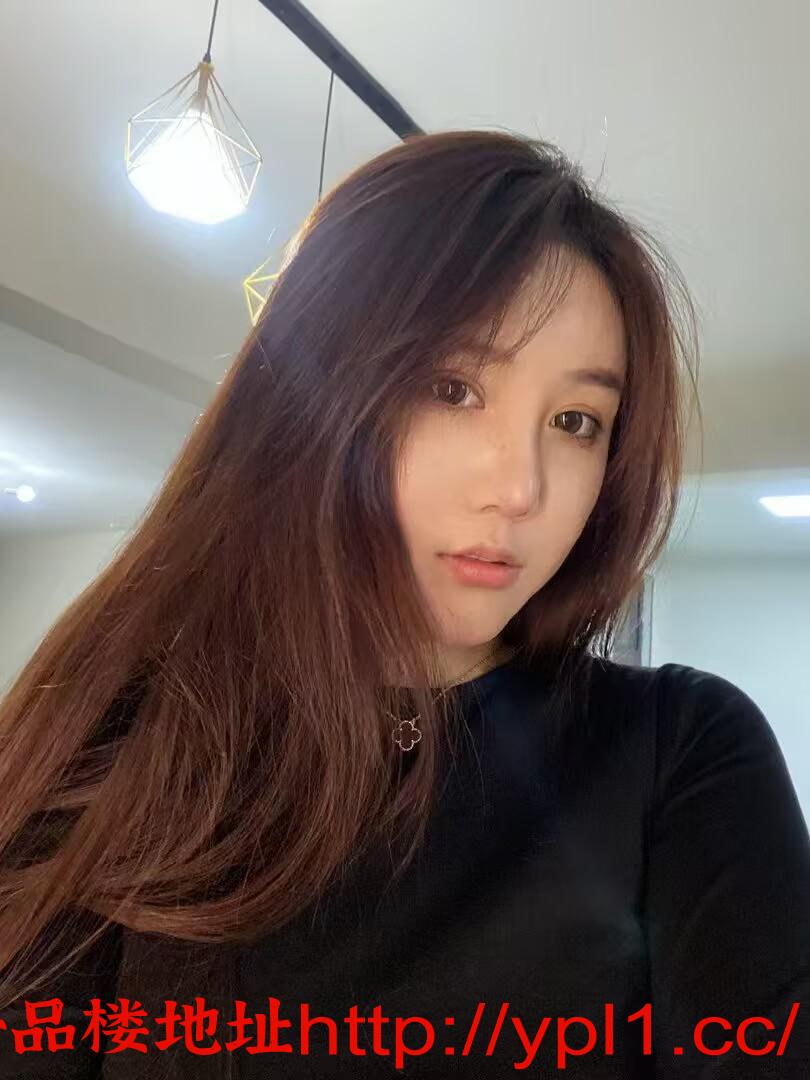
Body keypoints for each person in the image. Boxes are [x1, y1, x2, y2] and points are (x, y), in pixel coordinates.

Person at [0, 130, 807, 1079]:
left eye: (576, 421)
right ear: (303, 401)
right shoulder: (121, 743)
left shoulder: (680, 752)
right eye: (452, 388)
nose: (521, 488)